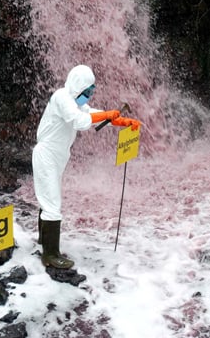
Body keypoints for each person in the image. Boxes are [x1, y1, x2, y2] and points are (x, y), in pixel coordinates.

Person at [33, 64, 141, 269]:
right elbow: (80, 121)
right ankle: (50, 255)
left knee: (48, 196)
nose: (90, 95)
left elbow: (91, 113)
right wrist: (108, 115)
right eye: (88, 91)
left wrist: (122, 122)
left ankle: (42, 241)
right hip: (46, 154)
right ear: (78, 86)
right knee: (52, 202)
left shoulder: (75, 101)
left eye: (92, 90)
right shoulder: (61, 97)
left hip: (58, 155)